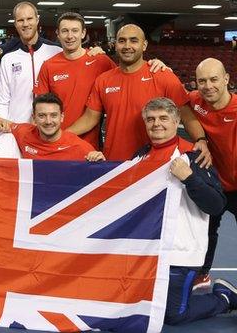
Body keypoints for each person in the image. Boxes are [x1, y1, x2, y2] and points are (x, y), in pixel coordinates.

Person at [131, 97, 236, 325]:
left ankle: (223, 297)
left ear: (176, 120)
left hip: (181, 253)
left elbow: (217, 204)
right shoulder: (140, 156)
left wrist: (189, 178)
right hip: (148, 252)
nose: (156, 124)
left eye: (163, 118)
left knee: (173, 315)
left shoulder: (194, 156)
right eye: (150, 119)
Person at [68, 24, 210, 162]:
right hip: (113, 162)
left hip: (153, 163)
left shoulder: (162, 76)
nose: (127, 46)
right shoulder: (103, 80)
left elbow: (186, 115)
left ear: (144, 45)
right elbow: (89, 119)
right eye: (122, 41)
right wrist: (61, 136)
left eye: (134, 40)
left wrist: (201, 140)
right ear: (115, 45)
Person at [187, 58, 237, 289]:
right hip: (214, 185)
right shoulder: (196, 101)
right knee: (205, 232)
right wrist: (200, 138)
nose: (208, 86)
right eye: (202, 81)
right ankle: (201, 274)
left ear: (226, 79)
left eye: (214, 79)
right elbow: (181, 106)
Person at [34, 12, 117, 148]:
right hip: (56, 144)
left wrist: (159, 65)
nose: (70, 36)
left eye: (75, 30)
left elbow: (126, 76)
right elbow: (40, 108)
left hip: (89, 147)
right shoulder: (48, 66)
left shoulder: (101, 61)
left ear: (83, 33)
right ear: (58, 33)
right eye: (65, 31)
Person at [0, 1, 62, 122]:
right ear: (15, 24)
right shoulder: (8, 59)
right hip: (17, 130)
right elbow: (2, 100)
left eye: (29, 18)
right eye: (20, 20)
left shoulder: (56, 52)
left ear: (37, 19)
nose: (25, 24)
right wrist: (4, 130)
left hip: (49, 128)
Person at [0, 93, 105, 161]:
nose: (48, 121)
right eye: (42, 116)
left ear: (62, 117)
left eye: (53, 115)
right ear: (34, 118)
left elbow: (101, 176)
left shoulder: (80, 147)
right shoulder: (24, 132)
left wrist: (98, 159)